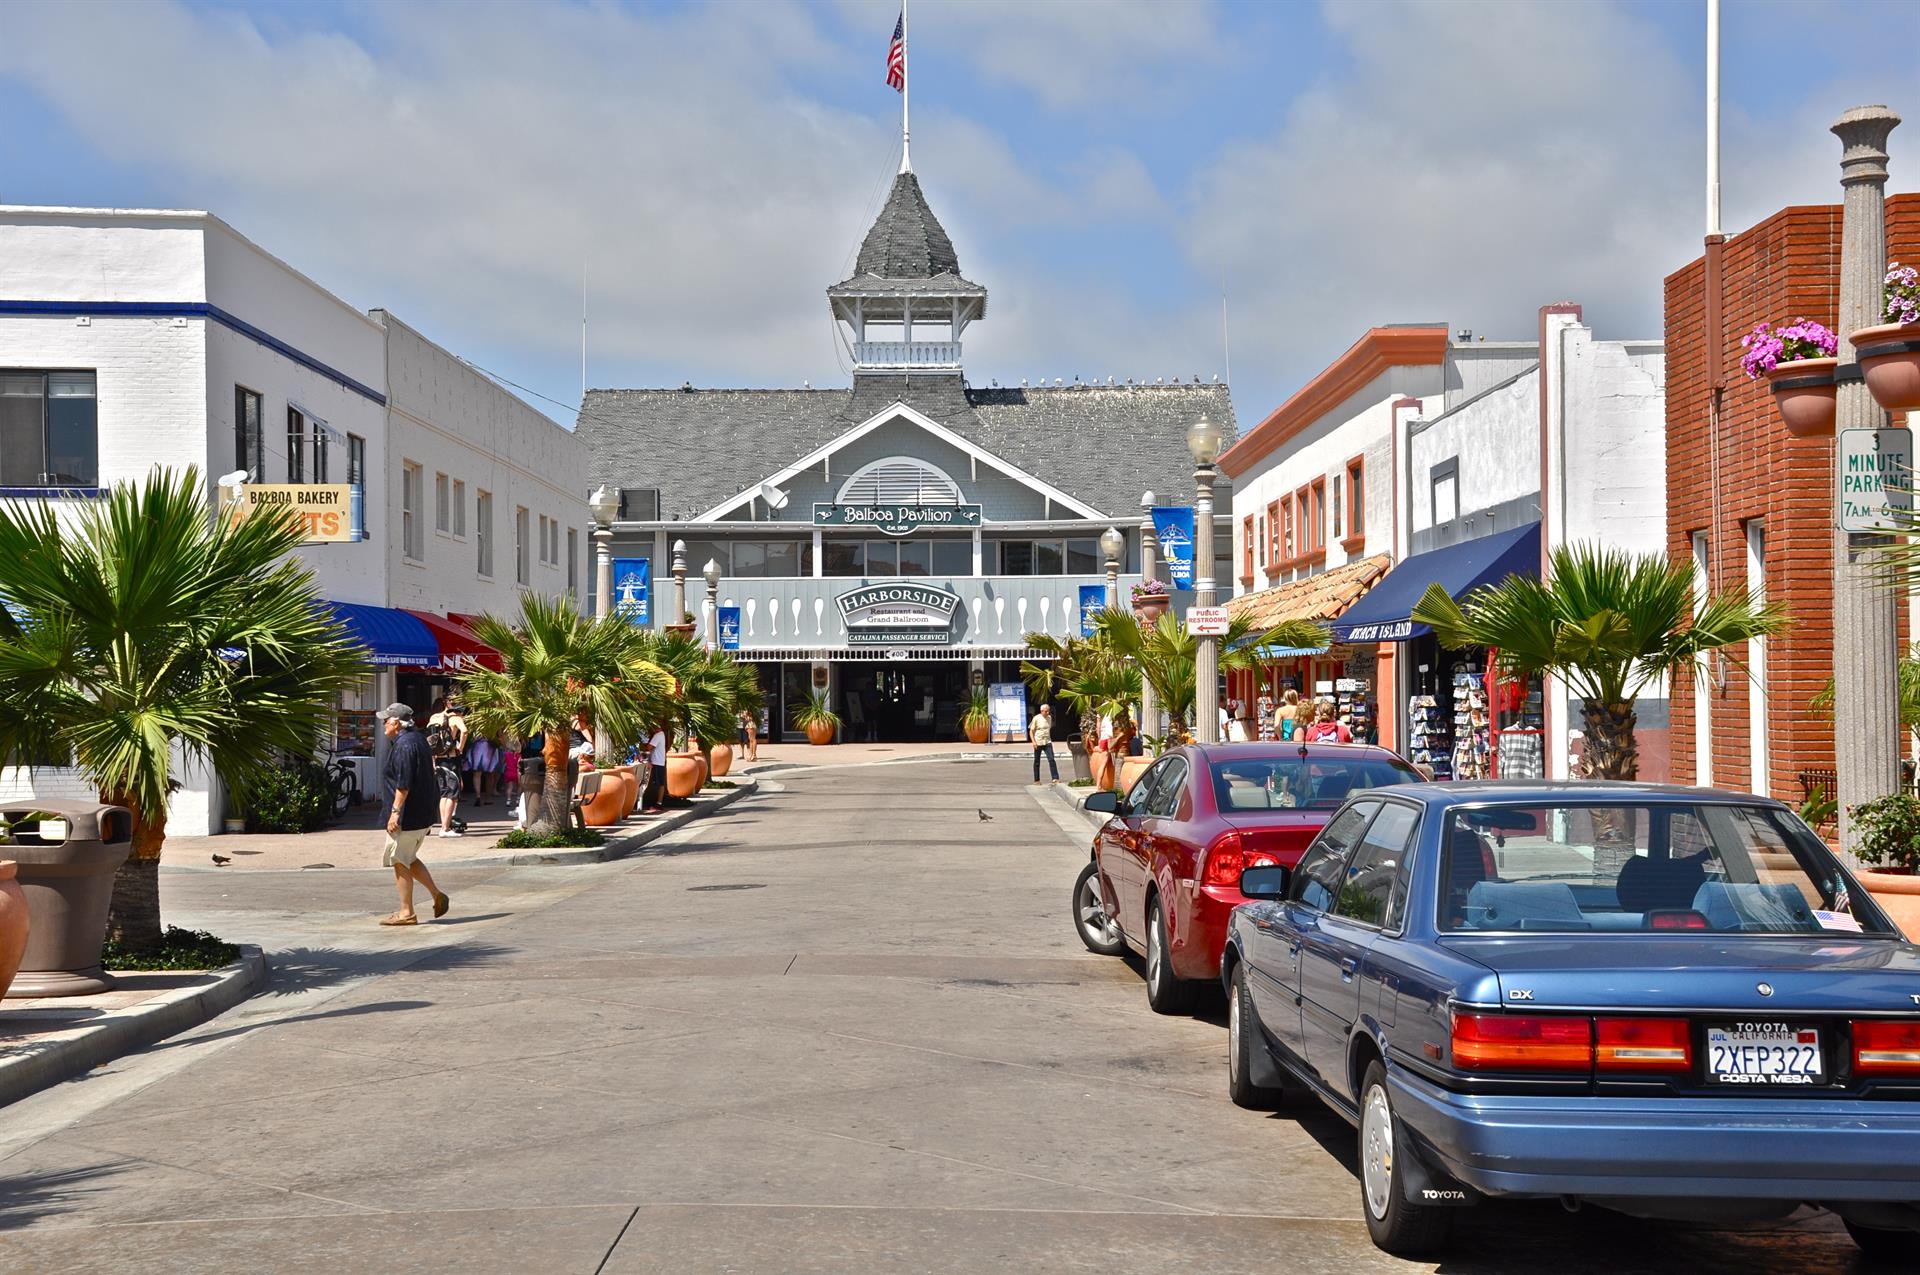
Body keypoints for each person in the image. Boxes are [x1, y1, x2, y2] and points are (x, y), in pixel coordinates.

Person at [374, 702, 449, 926]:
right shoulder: (416, 739)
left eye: (386, 721)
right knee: (409, 858)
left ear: (396, 724)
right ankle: (436, 895)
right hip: (422, 813)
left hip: (409, 815)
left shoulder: (405, 745)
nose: (384, 725)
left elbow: (403, 784)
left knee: (399, 860)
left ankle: (407, 912)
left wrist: (395, 813)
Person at [425, 696, 467, 837]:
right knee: (452, 794)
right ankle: (445, 828)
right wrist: (460, 747)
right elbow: (465, 731)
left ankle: (444, 825)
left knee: (444, 793)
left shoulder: (434, 717)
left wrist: (432, 760)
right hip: (451, 759)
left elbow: (430, 740)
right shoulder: (455, 718)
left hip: (438, 759)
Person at [1029, 702, 1060, 784]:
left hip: (1047, 741)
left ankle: (1055, 778)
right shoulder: (1036, 718)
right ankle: (1037, 780)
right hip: (1038, 742)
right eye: (1046, 711)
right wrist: (1033, 742)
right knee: (1037, 761)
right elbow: (1031, 731)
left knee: (1051, 759)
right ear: (1041, 711)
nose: (1047, 713)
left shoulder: (1049, 718)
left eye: (1048, 711)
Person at [642, 721, 668, 813]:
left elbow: (649, 747)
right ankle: (659, 803)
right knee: (660, 783)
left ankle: (657, 803)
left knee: (657, 783)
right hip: (660, 762)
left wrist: (643, 745)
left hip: (657, 762)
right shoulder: (662, 734)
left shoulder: (658, 735)